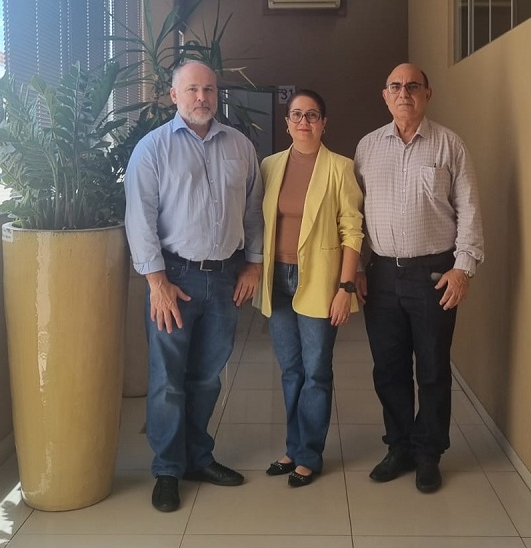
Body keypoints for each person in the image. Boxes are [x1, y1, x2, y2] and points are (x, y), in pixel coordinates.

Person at [124, 60, 264, 512]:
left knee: (206, 376)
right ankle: (168, 469)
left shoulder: (240, 146)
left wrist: (253, 265)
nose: (202, 97)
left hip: (224, 278)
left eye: (209, 89)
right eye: (192, 89)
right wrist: (156, 281)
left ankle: (198, 458)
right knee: (168, 379)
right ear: (173, 95)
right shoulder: (152, 149)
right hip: (174, 279)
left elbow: (254, 213)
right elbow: (140, 218)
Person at [354, 63, 484, 493]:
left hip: (434, 276)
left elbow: (469, 210)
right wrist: (356, 268)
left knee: (432, 367)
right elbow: (352, 216)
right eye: (395, 86)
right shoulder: (367, 148)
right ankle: (400, 447)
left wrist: (462, 268)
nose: (404, 92)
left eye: (412, 86)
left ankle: (428, 453)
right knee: (388, 368)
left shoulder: (450, 145)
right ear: (384, 95)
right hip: (381, 276)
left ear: (427, 94)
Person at [256, 89, 364, 487]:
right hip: (277, 280)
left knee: (316, 371)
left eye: (312, 115)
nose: (304, 121)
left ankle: (309, 455)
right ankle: (293, 447)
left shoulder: (340, 167)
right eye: (297, 114)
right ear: (287, 123)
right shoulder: (270, 166)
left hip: (319, 281)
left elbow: (352, 231)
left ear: (324, 123)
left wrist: (345, 287)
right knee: (290, 370)